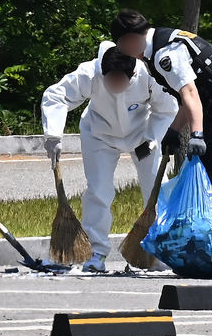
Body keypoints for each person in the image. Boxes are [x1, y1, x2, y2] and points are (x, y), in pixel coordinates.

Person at [42, 42, 178, 272]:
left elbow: (167, 108)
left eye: (119, 80)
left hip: (142, 136)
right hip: (99, 134)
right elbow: (56, 95)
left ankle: (159, 250)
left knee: (157, 190)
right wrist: (53, 135)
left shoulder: (149, 75)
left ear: (133, 73)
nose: (113, 85)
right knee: (98, 191)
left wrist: (152, 137)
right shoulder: (90, 72)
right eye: (109, 79)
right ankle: (96, 252)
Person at [110, 10, 212, 215]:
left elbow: (190, 93)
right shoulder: (161, 44)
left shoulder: (164, 54)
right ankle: (207, 226)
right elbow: (190, 98)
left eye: (122, 47)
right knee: (208, 173)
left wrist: (196, 135)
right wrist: (174, 130)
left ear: (129, 39)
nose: (125, 53)